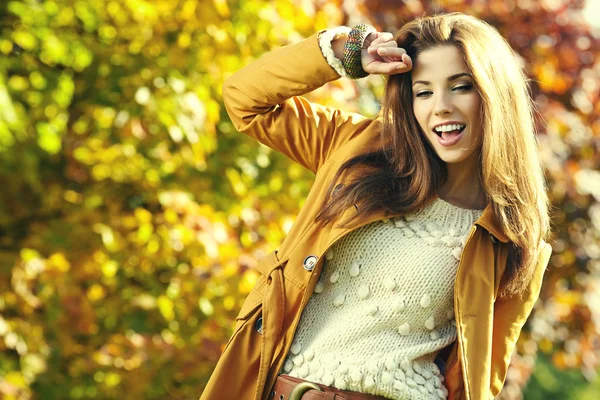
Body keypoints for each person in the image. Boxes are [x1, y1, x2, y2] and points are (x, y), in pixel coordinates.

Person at [201, 12, 552, 400]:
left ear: (494, 95)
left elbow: (475, 383)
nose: (441, 107)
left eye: (461, 87)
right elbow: (244, 99)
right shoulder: (358, 148)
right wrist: (347, 50)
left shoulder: (511, 237)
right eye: (423, 91)